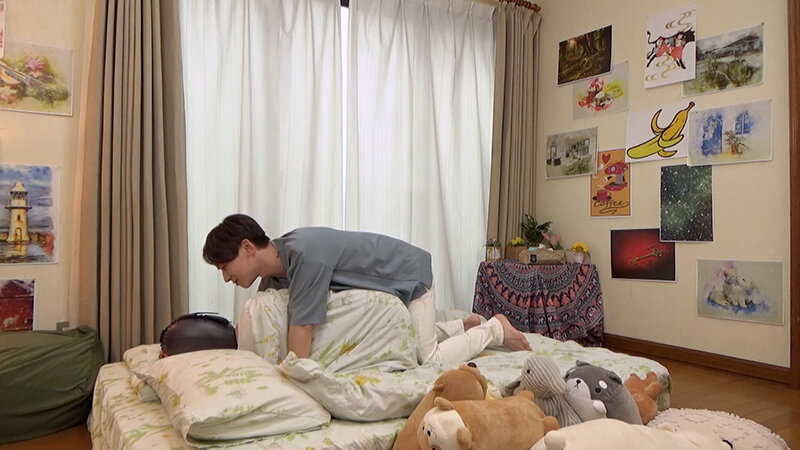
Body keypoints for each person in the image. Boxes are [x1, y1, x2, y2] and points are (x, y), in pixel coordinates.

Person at [202, 214, 531, 366]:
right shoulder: (278, 270)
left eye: (224, 266)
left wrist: (290, 382)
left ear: (247, 247)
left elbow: (301, 333)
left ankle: (494, 329)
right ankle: (462, 325)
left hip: (408, 273)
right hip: (393, 278)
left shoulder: (303, 255)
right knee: (413, 334)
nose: (226, 277)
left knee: (428, 359)